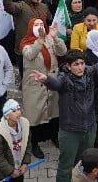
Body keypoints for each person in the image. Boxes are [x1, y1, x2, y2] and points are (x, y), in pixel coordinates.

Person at [35, 40, 98, 182]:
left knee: (84, 164)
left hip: (89, 129)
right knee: (66, 165)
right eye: (76, 64)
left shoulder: (90, 72)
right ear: (68, 67)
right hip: (70, 132)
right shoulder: (65, 79)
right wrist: (46, 80)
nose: (80, 67)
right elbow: (56, 84)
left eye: (82, 63)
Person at [20, 18, 67, 159]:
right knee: (34, 115)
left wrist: (55, 38)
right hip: (34, 85)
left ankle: (54, 137)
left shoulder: (49, 38)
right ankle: (34, 143)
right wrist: (39, 40)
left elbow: (62, 51)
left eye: (42, 24)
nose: (40, 27)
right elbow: (30, 55)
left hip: (51, 82)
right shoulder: (26, 42)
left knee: (54, 112)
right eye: (36, 24)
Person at [0, 99, 33, 182]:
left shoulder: (25, 126)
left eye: (18, 109)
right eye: (14, 111)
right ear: (7, 115)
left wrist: (25, 163)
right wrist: (11, 171)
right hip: (4, 172)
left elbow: (28, 145)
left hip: (19, 168)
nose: (18, 112)